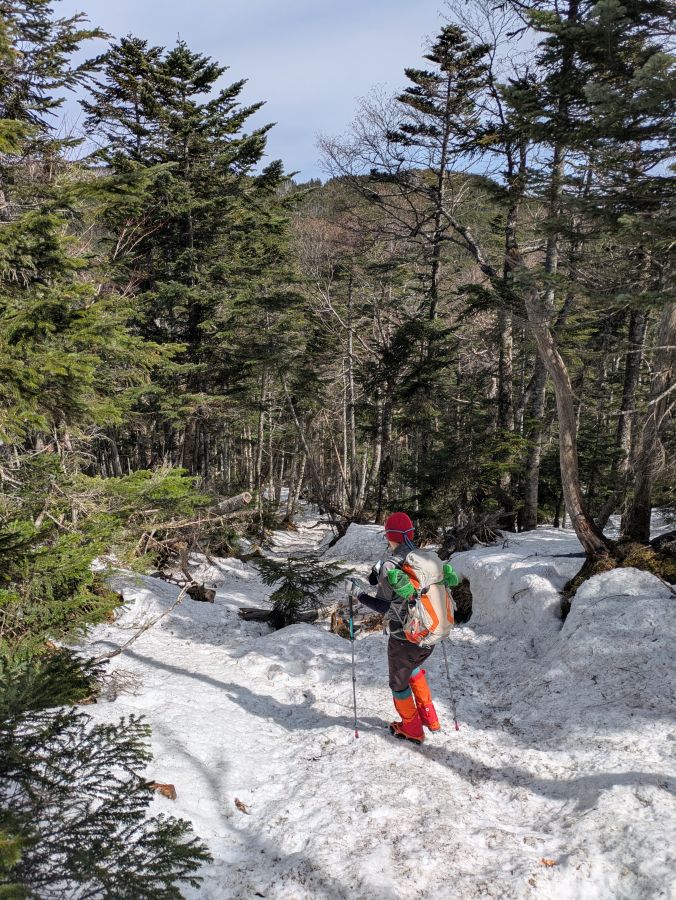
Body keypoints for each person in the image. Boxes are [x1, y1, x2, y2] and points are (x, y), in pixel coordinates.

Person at [356, 511, 440, 744]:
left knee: (398, 683)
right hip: (429, 633)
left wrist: (359, 595)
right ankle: (429, 718)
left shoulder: (391, 565)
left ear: (389, 535)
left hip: (404, 637)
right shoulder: (423, 558)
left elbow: (385, 607)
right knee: (413, 669)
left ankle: (412, 729)